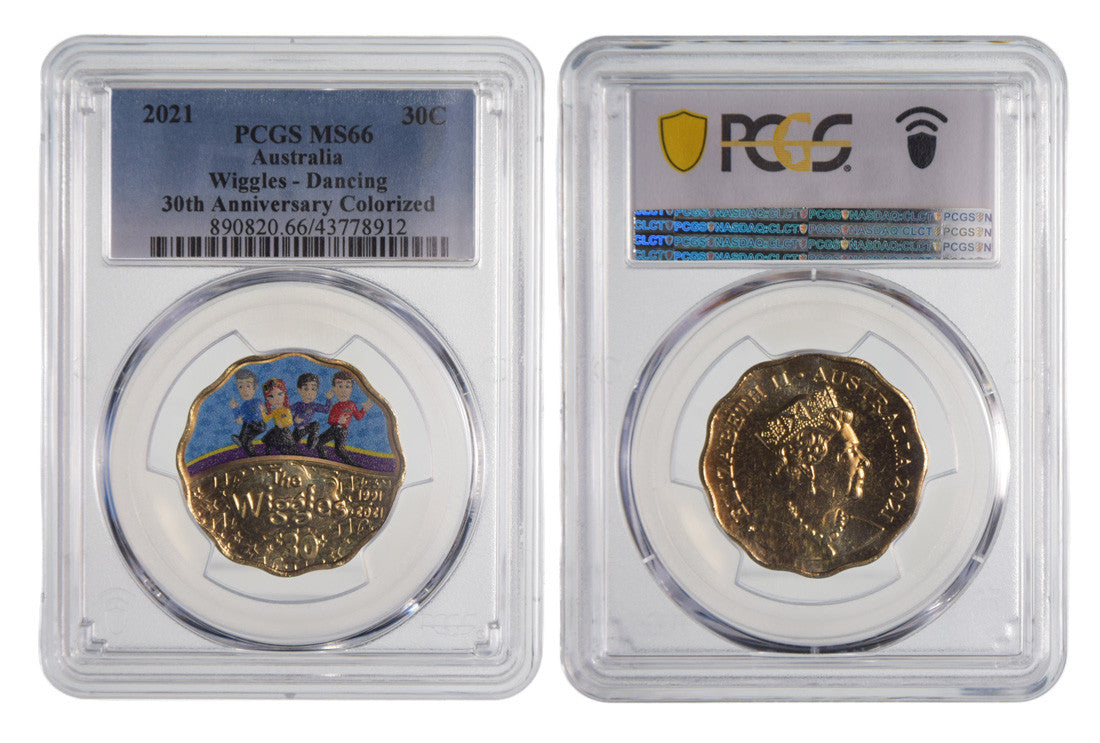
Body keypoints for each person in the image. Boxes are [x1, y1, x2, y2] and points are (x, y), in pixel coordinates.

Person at [316, 369, 372, 465]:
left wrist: (364, 409)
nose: (344, 390)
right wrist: (338, 420)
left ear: (351, 389)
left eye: (347, 386)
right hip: (333, 428)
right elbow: (330, 419)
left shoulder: (351, 405)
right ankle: (324, 460)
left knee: (339, 450)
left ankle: (353, 465)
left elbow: (358, 417)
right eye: (340, 386)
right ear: (334, 388)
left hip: (342, 431)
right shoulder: (336, 405)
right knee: (318, 442)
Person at [229, 368, 266, 456]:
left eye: (248, 386)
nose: (244, 390)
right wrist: (235, 408)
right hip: (250, 425)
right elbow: (239, 419)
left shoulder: (256, 402)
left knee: (247, 429)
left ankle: (246, 446)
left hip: (258, 425)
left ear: (255, 387)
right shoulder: (244, 405)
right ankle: (243, 442)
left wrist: (242, 418)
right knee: (246, 433)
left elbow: (255, 414)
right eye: (240, 387)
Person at [290, 372, 330, 451]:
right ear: (299, 390)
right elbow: (287, 412)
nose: (309, 393)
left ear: (317, 391)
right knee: (292, 446)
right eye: (306, 389)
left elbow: (326, 410)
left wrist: (329, 399)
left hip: (307, 427)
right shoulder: (298, 404)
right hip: (298, 429)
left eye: (313, 389)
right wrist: (294, 419)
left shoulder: (314, 405)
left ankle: (311, 445)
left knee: (315, 424)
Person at [259, 378, 297, 455]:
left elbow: (290, 421)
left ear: (284, 395)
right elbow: (266, 419)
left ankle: (292, 454)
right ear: (267, 399)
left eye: (280, 394)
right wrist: (262, 411)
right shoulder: (274, 411)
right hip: (276, 430)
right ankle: (268, 454)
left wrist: (283, 424)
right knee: (269, 442)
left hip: (284, 431)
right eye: (271, 396)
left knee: (286, 445)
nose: (276, 399)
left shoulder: (286, 409)